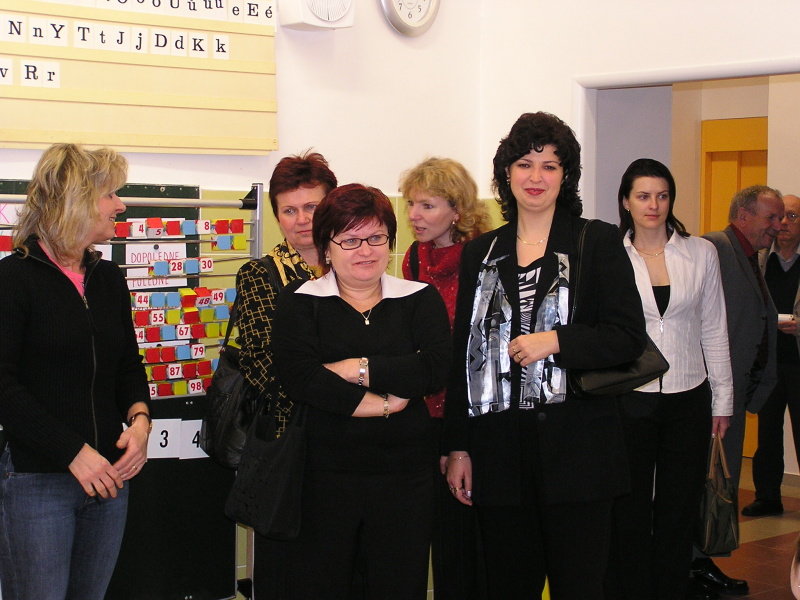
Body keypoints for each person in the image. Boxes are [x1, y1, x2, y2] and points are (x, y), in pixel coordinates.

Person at [443, 112, 647, 600]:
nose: (536, 177)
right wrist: (458, 448)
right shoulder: (480, 252)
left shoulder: (596, 241)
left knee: (580, 587)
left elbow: (627, 337)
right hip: (499, 456)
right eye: (525, 164)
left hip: (579, 458)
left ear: (565, 176)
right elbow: (463, 356)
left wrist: (557, 340)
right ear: (506, 173)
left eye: (550, 166)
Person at [271, 183, 452, 599]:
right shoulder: (300, 301)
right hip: (323, 477)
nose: (365, 251)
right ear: (326, 247)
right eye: (350, 240)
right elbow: (300, 378)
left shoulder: (418, 298)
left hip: (406, 477)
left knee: (398, 586)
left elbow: (434, 369)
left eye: (376, 238)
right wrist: (385, 403)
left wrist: (357, 368)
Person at [0, 143, 151, 600]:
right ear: (76, 200)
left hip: (109, 479)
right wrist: (73, 453)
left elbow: (127, 364)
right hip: (37, 482)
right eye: (110, 194)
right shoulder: (13, 279)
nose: (120, 205)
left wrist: (140, 421)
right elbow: (4, 387)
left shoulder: (109, 278)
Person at [604, 158, 733, 600]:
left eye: (662, 196)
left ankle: (671, 590)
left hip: (689, 394)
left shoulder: (701, 253)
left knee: (679, 508)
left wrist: (723, 401)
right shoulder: (611, 256)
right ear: (626, 202)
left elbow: (714, 327)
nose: (653, 205)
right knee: (630, 506)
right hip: (630, 395)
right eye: (643, 196)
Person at [232, 151, 337, 598]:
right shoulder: (260, 275)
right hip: (289, 450)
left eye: (312, 206)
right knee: (289, 577)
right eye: (288, 210)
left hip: (351, 449)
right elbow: (262, 366)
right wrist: (344, 382)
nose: (301, 220)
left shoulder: (357, 267)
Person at [399, 156, 492, 599]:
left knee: (474, 537)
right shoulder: (415, 260)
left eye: (427, 206)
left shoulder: (485, 257)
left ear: (457, 210)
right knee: (437, 533)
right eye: (411, 204)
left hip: (474, 413)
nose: (414, 216)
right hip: (425, 413)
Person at [694, 185, 782, 596]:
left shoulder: (750, 257)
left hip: (734, 391)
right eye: (771, 217)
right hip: (715, 394)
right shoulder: (715, 249)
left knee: (719, 481)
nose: (778, 226)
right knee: (708, 482)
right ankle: (694, 564)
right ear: (743, 215)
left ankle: (700, 560)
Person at [744, 194, 800, 517]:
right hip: (770, 362)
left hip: (798, 362)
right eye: (780, 217)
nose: (784, 224)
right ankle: (767, 496)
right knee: (767, 433)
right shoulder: (761, 259)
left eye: (792, 216)